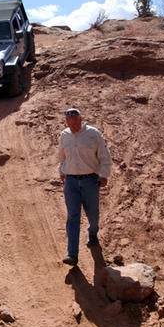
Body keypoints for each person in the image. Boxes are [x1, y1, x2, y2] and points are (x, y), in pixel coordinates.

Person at [58, 108, 112, 266]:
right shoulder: (64, 135)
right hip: (71, 182)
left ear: (81, 119)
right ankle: (72, 254)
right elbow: (62, 157)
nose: (73, 127)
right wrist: (61, 171)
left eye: (75, 123)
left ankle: (93, 233)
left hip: (90, 180)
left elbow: (104, 156)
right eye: (70, 124)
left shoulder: (93, 134)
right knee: (73, 217)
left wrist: (104, 175)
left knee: (93, 214)